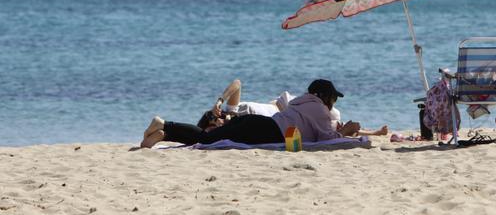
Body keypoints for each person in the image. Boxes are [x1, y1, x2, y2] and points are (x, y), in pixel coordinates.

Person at [140, 79, 361, 148]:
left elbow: (315, 131)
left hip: (259, 122)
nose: (333, 103)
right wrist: (348, 131)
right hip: (269, 131)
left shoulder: (303, 102)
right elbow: (325, 140)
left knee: (208, 138)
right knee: (207, 140)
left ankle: (164, 132)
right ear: (324, 96)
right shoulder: (320, 108)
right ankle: (164, 126)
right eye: (333, 98)